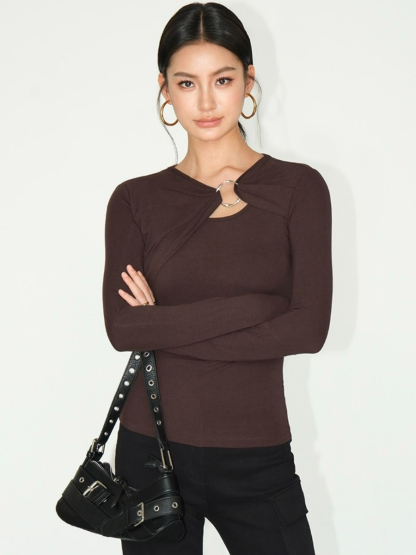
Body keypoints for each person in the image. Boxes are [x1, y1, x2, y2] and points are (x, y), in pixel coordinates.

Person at [102, 2, 333, 554]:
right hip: (150, 453)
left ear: (249, 81)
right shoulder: (134, 200)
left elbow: (307, 331)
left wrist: (162, 324)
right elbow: (123, 330)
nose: (205, 102)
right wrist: (257, 307)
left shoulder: (298, 190)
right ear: (165, 88)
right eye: (187, 83)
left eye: (222, 80)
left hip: (258, 454)